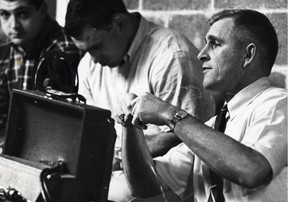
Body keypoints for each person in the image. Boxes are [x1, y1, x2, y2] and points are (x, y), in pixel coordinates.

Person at [111, 9, 287, 202]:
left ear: (247, 55)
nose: (201, 54)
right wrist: (129, 125)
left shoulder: (278, 104)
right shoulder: (215, 126)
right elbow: (144, 187)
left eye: (215, 44)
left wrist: (169, 113)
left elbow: (253, 171)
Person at [64, 0, 216, 163]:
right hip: (115, 168)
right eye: (86, 51)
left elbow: (189, 136)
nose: (93, 60)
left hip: (166, 174)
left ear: (119, 23)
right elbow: (90, 130)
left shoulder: (171, 56)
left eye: (97, 46)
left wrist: (119, 157)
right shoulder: (88, 66)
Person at [0, 0, 82, 152]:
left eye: (22, 14)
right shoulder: (7, 50)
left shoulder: (63, 51)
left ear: (43, 10)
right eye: (5, 14)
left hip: (49, 152)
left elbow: (54, 130)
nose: (13, 26)